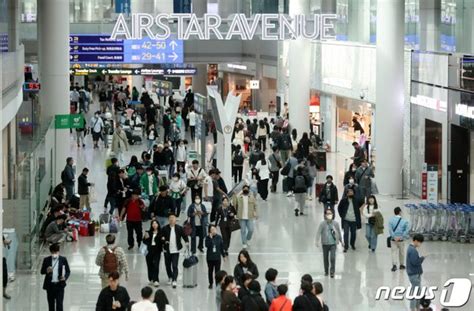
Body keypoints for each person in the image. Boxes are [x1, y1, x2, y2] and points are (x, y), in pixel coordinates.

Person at [161, 214, 189, 288]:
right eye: (170, 218)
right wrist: (164, 241)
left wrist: (186, 242)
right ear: (168, 220)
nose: (171, 219)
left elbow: (184, 236)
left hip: (176, 250)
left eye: (173, 218)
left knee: (174, 265)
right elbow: (161, 237)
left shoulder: (179, 228)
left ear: (175, 220)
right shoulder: (164, 228)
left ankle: (174, 280)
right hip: (167, 250)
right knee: (167, 265)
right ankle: (170, 277)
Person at [40, 243, 70, 311]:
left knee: (59, 305)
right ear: (51, 252)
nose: (55, 253)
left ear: (58, 251)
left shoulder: (63, 259)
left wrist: (65, 277)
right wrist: (46, 270)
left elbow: (68, 271)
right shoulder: (46, 260)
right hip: (50, 286)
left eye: (56, 252)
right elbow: (41, 271)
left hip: (59, 285)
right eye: (53, 252)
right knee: (51, 305)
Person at [315, 209, 343, 278]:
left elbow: (338, 232)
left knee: (332, 258)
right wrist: (316, 241)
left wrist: (341, 241)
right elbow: (318, 232)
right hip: (325, 243)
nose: (329, 215)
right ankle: (326, 271)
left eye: (330, 213)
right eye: (327, 214)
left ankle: (332, 271)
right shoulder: (322, 224)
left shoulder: (335, 223)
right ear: (325, 215)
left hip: (333, 243)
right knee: (325, 258)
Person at [337, 188, 362, 252]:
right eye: (349, 192)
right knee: (346, 233)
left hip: (354, 220)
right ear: (347, 194)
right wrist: (342, 215)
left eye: (352, 192)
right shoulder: (343, 200)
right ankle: (346, 246)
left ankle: (352, 244)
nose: (351, 193)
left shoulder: (356, 200)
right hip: (346, 220)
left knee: (353, 233)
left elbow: (363, 203)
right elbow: (339, 208)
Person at [407, 234, 426, 311]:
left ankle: (417, 307)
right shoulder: (413, 250)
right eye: (419, 242)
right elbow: (415, 262)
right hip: (414, 274)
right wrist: (422, 258)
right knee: (416, 293)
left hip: (413, 273)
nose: (420, 244)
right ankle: (413, 308)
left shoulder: (411, 248)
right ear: (415, 241)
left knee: (417, 292)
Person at [205, 224, 227, 289]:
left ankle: (217, 283)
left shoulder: (219, 237)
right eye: (212, 230)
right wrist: (210, 238)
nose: (213, 231)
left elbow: (221, 247)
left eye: (214, 229)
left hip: (217, 257)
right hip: (210, 258)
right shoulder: (207, 238)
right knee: (210, 271)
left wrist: (224, 256)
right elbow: (207, 245)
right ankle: (210, 283)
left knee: (217, 272)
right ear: (209, 231)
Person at [389, 207, 410, 272]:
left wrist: (394, 236)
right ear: (400, 212)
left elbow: (390, 230)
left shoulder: (391, 220)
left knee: (393, 252)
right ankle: (401, 265)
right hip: (401, 239)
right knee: (402, 252)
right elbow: (407, 230)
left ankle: (394, 265)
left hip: (393, 239)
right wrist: (401, 236)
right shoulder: (404, 221)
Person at [143, 220, 163, 287]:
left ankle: (156, 280)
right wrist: (145, 238)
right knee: (149, 265)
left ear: (158, 225)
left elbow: (162, 241)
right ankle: (151, 278)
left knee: (156, 265)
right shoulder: (148, 232)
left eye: (155, 223)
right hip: (149, 251)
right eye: (153, 223)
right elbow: (144, 241)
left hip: (157, 251)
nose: (154, 225)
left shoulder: (161, 233)